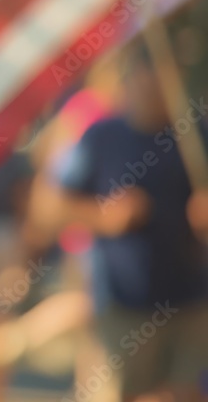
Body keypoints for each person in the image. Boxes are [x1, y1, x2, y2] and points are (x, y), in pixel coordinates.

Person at [55, 41, 208, 402]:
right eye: (153, 74)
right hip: (124, 305)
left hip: (190, 299)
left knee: (184, 393)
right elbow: (56, 205)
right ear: (135, 76)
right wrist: (104, 216)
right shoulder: (102, 137)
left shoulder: (195, 135)